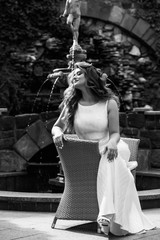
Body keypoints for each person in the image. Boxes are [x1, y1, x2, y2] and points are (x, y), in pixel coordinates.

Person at [51, 61, 155, 237]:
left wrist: (113, 143)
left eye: (79, 73)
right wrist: (57, 133)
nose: (74, 76)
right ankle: (123, 171)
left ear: (89, 78)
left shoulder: (109, 103)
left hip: (113, 146)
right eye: (73, 74)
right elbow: (56, 126)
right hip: (89, 152)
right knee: (112, 163)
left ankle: (105, 215)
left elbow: (115, 134)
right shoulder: (72, 104)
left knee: (110, 155)